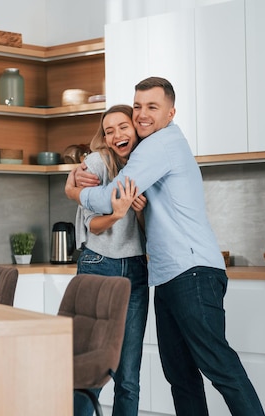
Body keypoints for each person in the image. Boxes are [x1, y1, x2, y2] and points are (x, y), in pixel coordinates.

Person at [65, 77, 265, 416]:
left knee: (219, 365)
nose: (143, 114)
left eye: (152, 107)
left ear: (171, 113)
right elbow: (127, 203)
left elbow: (108, 197)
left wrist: (72, 191)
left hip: (192, 272)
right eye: (138, 106)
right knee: (181, 375)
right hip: (169, 276)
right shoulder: (145, 150)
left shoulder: (160, 145)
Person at [73, 104, 149, 416]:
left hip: (135, 270)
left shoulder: (147, 165)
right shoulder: (96, 163)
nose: (117, 134)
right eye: (109, 130)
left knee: (128, 376)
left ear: (135, 129)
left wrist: (139, 212)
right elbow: (91, 224)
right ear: (104, 138)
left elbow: (147, 232)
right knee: (89, 369)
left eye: (123, 126)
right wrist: (117, 213)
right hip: (98, 264)